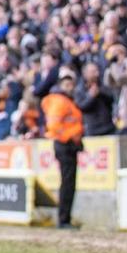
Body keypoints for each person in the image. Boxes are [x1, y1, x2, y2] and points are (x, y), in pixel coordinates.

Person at [42, 72, 84, 230]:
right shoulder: (60, 101)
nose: (70, 88)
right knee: (67, 183)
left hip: (68, 144)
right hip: (65, 145)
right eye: (67, 85)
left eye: (71, 84)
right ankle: (63, 219)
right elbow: (54, 126)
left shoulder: (67, 101)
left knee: (69, 182)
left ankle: (65, 217)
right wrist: (69, 137)